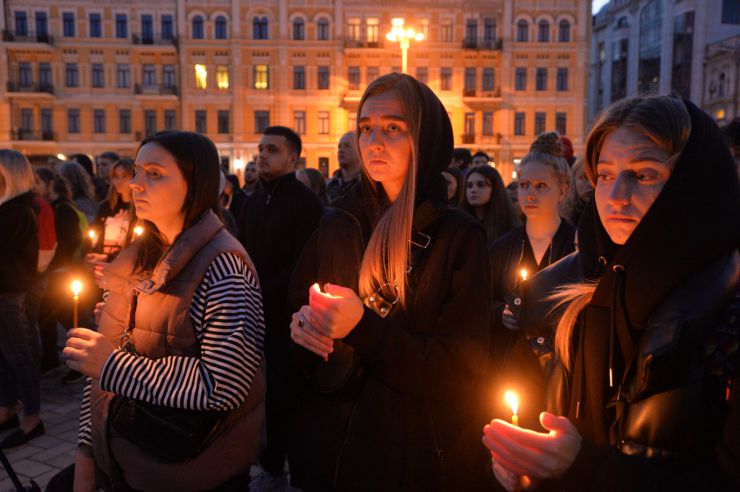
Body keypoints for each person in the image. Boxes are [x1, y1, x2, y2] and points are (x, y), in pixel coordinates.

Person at [483, 96, 740, 491]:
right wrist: (521, 463)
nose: (616, 196)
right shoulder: (557, 294)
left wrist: (587, 467)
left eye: (644, 174)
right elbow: (530, 414)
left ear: (694, 184)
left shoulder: (728, 312)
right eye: (604, 175)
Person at [288, 73, 491, 490]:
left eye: (394, 128)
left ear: (425, 136)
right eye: (365, 128)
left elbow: (458, 371)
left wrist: (363, 328)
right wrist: (302, 328)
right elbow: (297, 308)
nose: (374, 141)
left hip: (411, 454)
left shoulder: (457, 236)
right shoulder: (338, 221)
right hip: (332, 449)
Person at [66, 130, 266, 491]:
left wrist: (113, 364)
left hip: (192, 471)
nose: (135, 184)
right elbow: (99, 377)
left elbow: (224, 384)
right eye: (137, 172)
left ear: (196, 184)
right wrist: (87, 456)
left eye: (154, 174)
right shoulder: (140, 256)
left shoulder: (224, 266)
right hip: (128, 462)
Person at [237, 126, 324, 490]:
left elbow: (305, 264)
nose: (262, 155)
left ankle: (294, 469)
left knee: (288, 396)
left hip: (288, 320)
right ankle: (268, 460)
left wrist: (262, 291)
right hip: (254, 315)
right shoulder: (253, 198)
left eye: (271, 149)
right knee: (257, 391)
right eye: (260, 149)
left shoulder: (306, 204)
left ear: (293, 157)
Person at [488, 132, 575, 376]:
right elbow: (478, 300)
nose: (530, 194)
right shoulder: (502, 248)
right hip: (510, 368)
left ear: (562, 190)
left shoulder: (578, 247)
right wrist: (499, 313)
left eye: (541, 186)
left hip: (563, 369)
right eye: (524, 185)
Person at [0, 149, 44, 448]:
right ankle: (6, 410)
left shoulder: (17, 211)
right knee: (4, 356)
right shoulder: (11, 209)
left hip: (10, 292)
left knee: (18, 355)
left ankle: (32, 418)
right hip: (7, 289)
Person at [89, 159, 134, 259]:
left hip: (127, 262)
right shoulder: (106, 207)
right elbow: (96, 235)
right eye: (116, 177)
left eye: (124, 176)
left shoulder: (140, 208)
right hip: (103, 263)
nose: (119, 181)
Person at [463, 165, 520, 243]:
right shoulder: (460, 224)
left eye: (481, 185)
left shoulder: (509, 227)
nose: (473, 190)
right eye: (469, 186)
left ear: (495, 189)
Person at [327, 132, 361, 204]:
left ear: (360, 151)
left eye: (347, 146)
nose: (341, 150)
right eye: (339, 147)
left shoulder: (368, 186)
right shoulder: (329, 186)